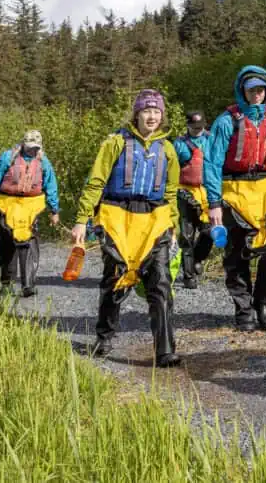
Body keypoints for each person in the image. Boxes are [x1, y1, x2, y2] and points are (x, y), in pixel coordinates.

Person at [71, 89, 182, 367]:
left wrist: (174, 226)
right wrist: (81, 220)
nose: (152, 116)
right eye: (147, 111)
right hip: (117, 217)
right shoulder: (116, 143)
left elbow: (171, 192)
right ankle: (105, 335)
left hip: (155, 219)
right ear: (137, 114)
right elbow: (95, 182)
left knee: (160, 282)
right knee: (115, 279)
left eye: (157, 111)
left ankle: (165, 349)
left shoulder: (167, 149)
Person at [204, 66, 266, 332]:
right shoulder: (226, 121)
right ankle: (243, 308)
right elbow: (211, 163)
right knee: (237, 256)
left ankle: (263, 303)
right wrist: (213, 203)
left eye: (260, 89)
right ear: (242, 90)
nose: (256, 94)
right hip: (235, 193)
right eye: (251, 89)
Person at [0, 130, 60, 298]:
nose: (33, 150)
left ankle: (28, 285)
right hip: (6, 204)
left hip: (32, 206)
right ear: (23, 144)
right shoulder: (8, 157)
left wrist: (54, 210)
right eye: (30, 147)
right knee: (7, 243)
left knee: (28, 242)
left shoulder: (43, 161)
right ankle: (6, 283)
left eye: (36, 147)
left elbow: (50, 186)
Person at [172, 110, 214, 289]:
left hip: (207, 191)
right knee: (187, 236)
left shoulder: (211, 140)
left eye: (200, 126)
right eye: (194, 126)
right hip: (185, 192)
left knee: (209, 231)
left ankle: (197, 258)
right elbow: (171, 170)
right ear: (187, 125)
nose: (197, 130)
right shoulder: (179, 144)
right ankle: (189, 276)